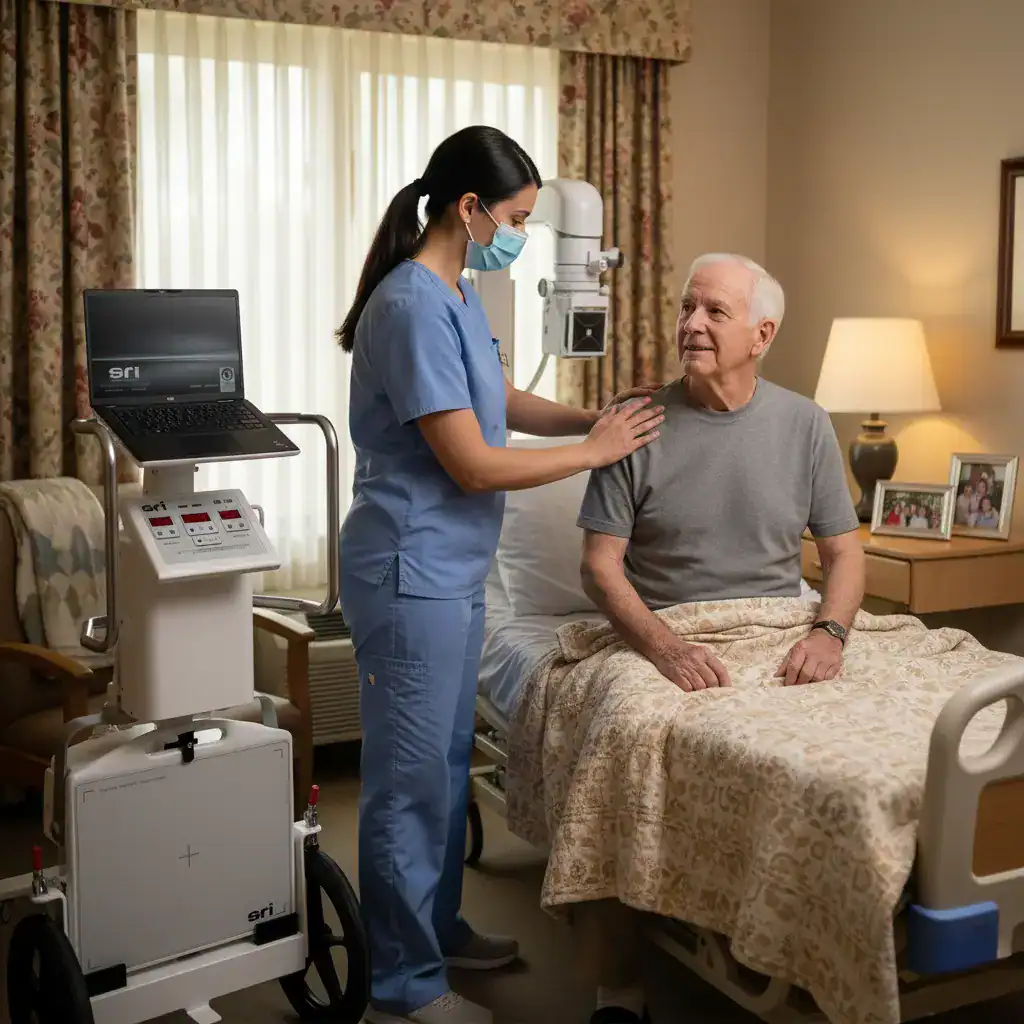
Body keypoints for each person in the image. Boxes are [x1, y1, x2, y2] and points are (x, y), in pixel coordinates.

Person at [336, 125, 665, 1024]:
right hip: (410, 573)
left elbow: (500, 399)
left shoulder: (455, 291)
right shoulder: (408, 304)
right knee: (407, 784)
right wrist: (592, 452)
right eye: (517, 219)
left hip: (447, 574)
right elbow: (474, 463)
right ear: (469, 208)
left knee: (440, 769)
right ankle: (403, 988)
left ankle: (434, 931)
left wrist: (592, 417)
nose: (520, 234)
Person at [572, 252, 866, 1024]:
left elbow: (843, 552)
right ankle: (617, 986)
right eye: (686, 308)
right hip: (664, 631)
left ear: (762, 334)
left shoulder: (805, 423)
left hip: (779, 621)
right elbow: (599, 569)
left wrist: (831, 633)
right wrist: (664, 648)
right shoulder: (636, 422)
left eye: (714, 313)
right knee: (620, 738)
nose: (691, 324)